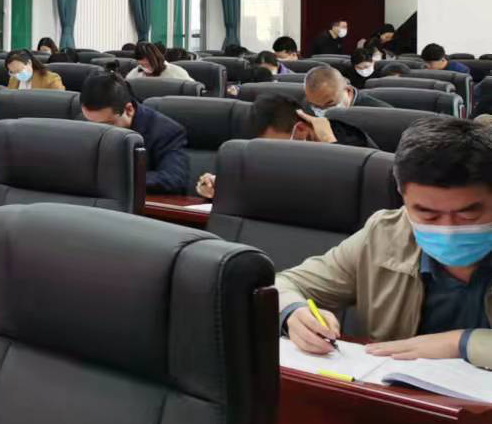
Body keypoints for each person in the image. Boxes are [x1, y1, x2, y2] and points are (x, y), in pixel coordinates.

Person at [279, 119, 492, 369]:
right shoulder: (384, 235)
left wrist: (463, 343)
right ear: (403, 196)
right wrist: (293, 312)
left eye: (468, 214)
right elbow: (284, 284)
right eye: (427, 214)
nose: (448, 229)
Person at [196, 91, 335, 198]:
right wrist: (216, 185)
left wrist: (329, 141)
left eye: (273, 147)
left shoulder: (340, 140)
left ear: (300, 130)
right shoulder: (260, 150)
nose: (271, 155)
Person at [80, 73, 191, 195]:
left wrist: (114, 179)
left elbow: (173, 179)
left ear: (129, 110)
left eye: (106, 125)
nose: (96, 130)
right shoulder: (82, 121)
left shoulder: (165, 131)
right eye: (90, 122)